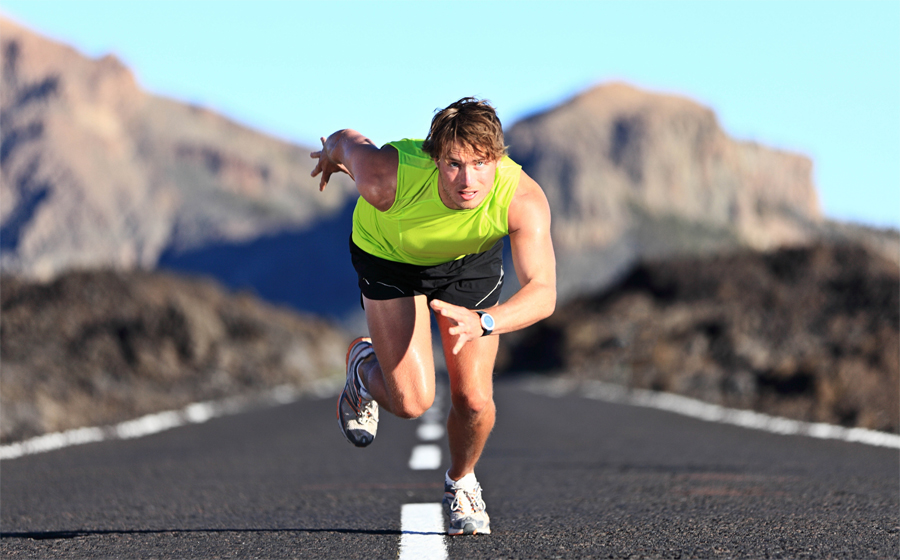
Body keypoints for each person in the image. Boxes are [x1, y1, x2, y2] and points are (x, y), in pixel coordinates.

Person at [310, 97, 556, 536]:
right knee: (411, 402)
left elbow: (543, 292)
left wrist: (486, 322)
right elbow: (349, 145)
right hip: (388, 256)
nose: (468, 180)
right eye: (454, 164)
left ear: (498, 160)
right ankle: (364, 370)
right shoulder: (387, 177)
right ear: (434, 158)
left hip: (469, 263)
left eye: (481, 164)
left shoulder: (521, 198)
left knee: (475, 399)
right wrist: (331, 154)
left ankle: (462, 482)